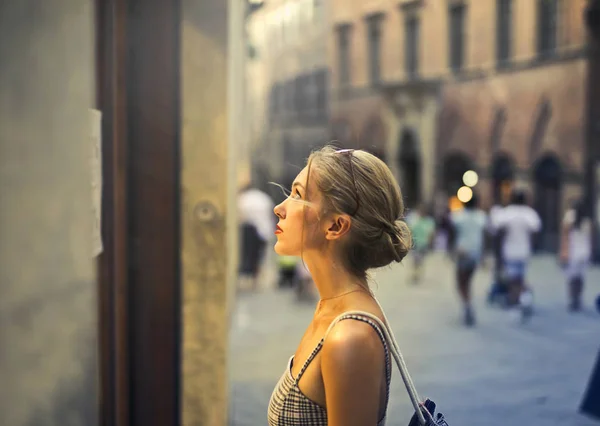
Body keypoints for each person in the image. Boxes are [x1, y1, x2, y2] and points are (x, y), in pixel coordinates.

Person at [268, 146, 412, 426]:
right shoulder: (330, 307)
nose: (279, 207)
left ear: (335, 226)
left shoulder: (350, 336)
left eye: (297, 195)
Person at [491, 188, 541, 321]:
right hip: (524, 251)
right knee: (520, 277)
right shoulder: (530, 214)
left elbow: (497, 231)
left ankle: (515, 303)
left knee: (513, 280)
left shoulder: (506, 213)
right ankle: (524, 298)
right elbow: (535, 231)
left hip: (509, 250)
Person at [451, 193, 487, 326]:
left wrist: (451, 251)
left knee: (460, 282)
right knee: (468, 281)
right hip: (475, 253)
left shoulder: (459, 216)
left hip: (462, 252)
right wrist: (484, 256)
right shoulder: (481, 217)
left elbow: (453, 233)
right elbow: (485, 236)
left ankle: (467, 305)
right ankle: (468, 303)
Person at [238, 184, 275, 290]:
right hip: (265, 231)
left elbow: (241, 215)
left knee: (248, 255)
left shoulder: (244, 198)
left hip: (250, 231)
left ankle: (248, 279)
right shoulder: (264, 197)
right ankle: (257, 279)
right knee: (260, 256)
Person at [559, 199, 593, 312]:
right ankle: (578, 298)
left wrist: (563, 251)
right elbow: (590, 238)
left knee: (571, 278)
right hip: (584, 251)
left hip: (573, 251)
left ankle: (572, 298)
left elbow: (565, 235)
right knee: (580, 278)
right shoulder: (587, 219)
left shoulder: (569, 216)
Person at [406, 204, 436, 284]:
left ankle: (417, 273)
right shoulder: (414, 219)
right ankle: (416, 274)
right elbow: (410, 230)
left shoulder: (429, 221)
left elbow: (432, 233)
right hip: (415, 243)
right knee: (415, 260)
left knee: (420, 260)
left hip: (424, 244)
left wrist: (431, 243)